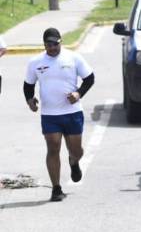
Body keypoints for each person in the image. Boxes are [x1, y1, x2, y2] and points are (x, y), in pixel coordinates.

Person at [23, 27, 94, 202]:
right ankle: (56, 188)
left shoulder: (73, 57)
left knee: (76, 150)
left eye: (55, 44)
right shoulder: (35, 62)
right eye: (49, 45)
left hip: (72, 112)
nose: (53, 48)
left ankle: (73, 161)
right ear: (44, 45)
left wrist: (78, 94)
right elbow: (28, 85)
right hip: (50, 114)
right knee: (53, 147)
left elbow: (89, 78)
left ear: (61, 41)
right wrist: (30, 100)